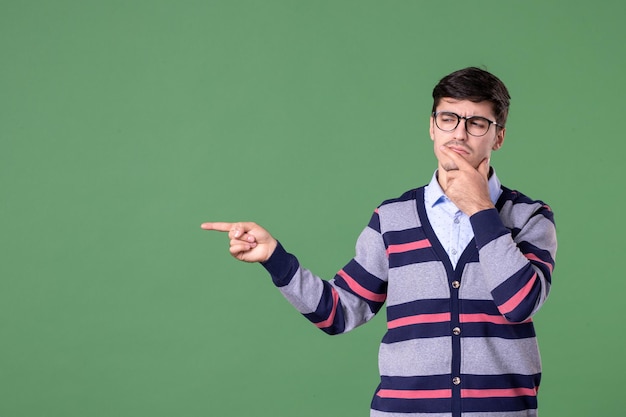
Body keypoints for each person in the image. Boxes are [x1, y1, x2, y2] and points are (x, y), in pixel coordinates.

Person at [202, 67, 557, 417]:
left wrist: (480, 207)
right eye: (448, 118)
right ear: (432, 126)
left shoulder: (529, 216)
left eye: (476, 123)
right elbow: (338, 313)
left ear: (498, 136)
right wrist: (274, 258)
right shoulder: (392, 218)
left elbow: (519, 304)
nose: (459, 134)